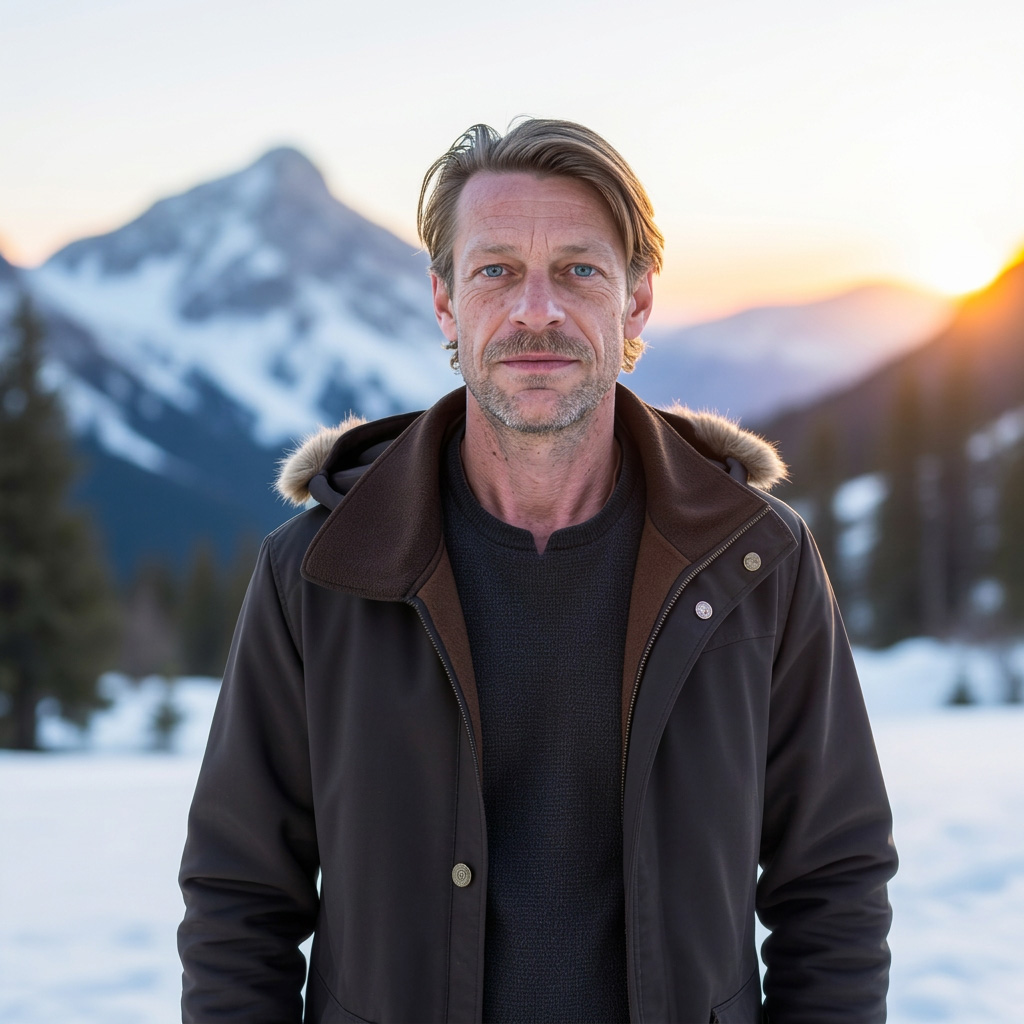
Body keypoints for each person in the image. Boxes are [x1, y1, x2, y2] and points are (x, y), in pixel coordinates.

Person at [178, 119, 897, 1024]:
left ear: (635, 303)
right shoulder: (318, 571)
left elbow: (832, 879)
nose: (536, 312)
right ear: (445, 302)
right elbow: (240, 896)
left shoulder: (758, 563)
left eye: (579, 270)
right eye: (496, 272)